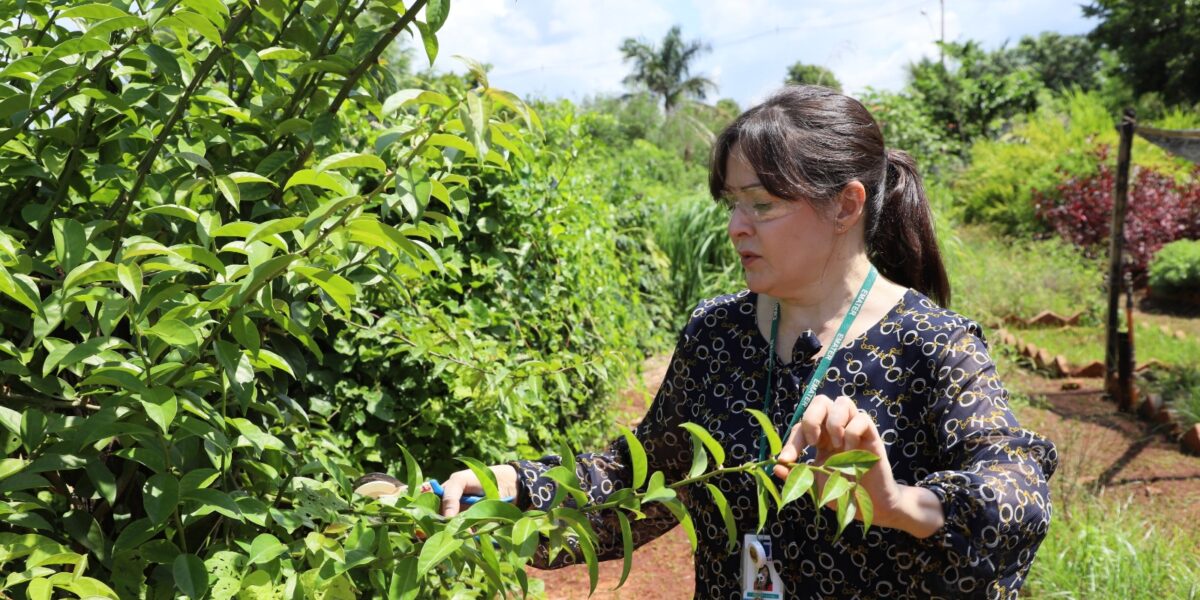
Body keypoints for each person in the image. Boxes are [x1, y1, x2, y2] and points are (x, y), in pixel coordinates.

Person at [436, 84, 1059, 599]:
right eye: (732, 204)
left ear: (845, 206)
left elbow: (1017, 492)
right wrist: (510, 490)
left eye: (761, 205)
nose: (736, 228)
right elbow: (641, 479)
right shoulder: (717, 334)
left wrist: (897, 502)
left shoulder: (931, 344)